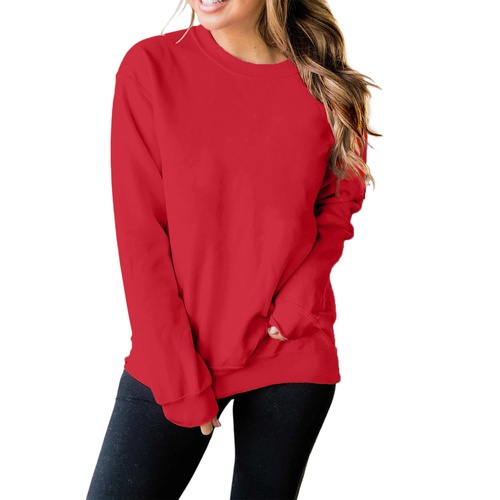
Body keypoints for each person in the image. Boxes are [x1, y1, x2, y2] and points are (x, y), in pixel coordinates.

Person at [87, 0, 379, 498]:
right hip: (179, 355)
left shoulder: (327, 85)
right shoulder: (150, 68)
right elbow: (140, 236)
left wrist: (298, 302)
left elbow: (338, 203)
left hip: (289, 347)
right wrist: (178, 377)